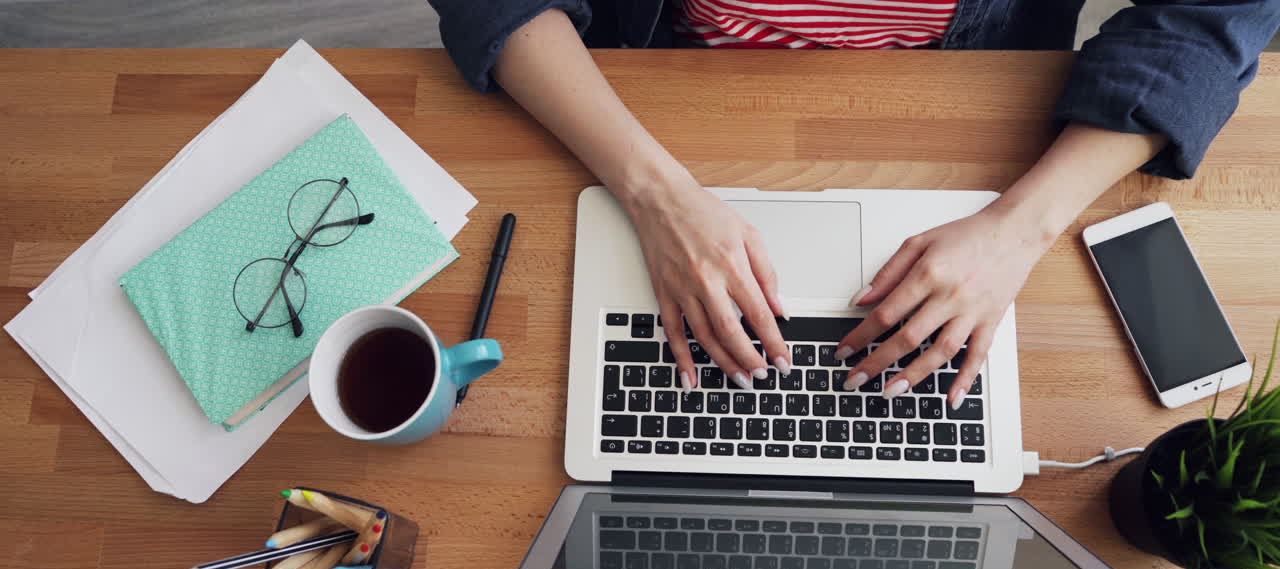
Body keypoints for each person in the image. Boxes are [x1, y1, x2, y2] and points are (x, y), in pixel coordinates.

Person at [428, 0, 1279, 410]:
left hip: (967, 105)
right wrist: (653, 192)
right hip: (648, 87)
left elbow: (1208, 20)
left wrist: (1021, 227)